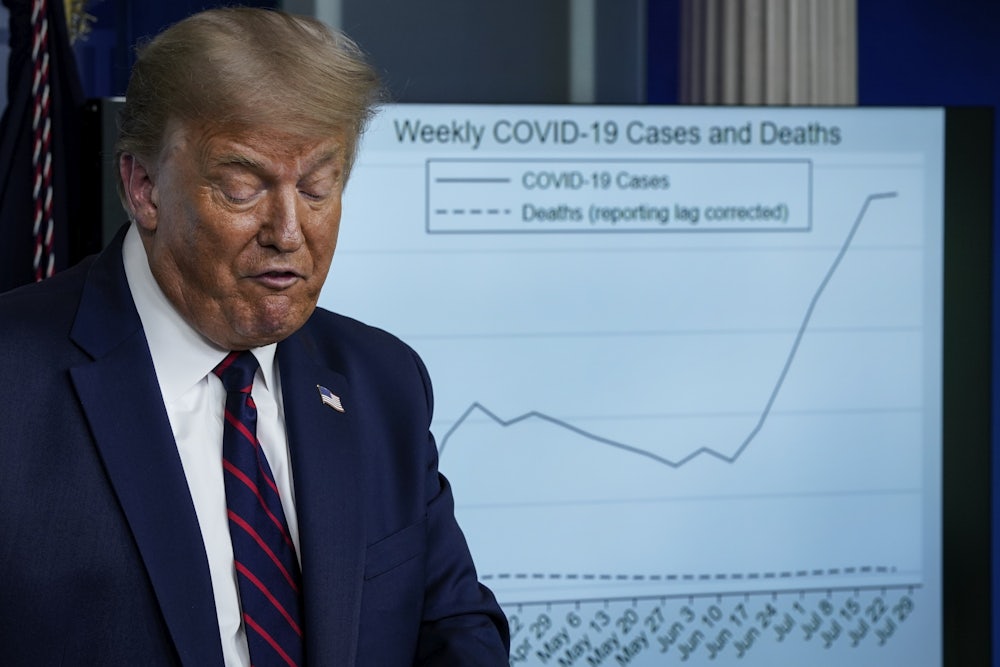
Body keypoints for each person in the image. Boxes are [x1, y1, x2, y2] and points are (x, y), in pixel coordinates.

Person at [0, 7, 509, 666]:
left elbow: (454, 629)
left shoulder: (384, 382)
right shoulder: (12, 385)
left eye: (319, 188)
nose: (290, 231)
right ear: (143, 187)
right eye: (243, 189)